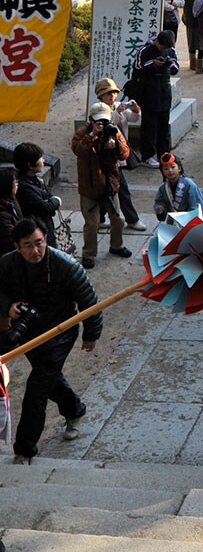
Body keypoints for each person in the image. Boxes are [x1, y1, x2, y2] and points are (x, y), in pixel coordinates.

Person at [0, 218, 102, 460]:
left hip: (60, 332)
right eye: (28, 245)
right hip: (28, 330)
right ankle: (74, 410)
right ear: (16, 246)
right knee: (48, 379)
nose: (35, 251)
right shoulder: (7, 263)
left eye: (40, 243)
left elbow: (89, 302)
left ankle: (24, 450)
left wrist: (91, 334)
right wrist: (9, 306)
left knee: (36, 388)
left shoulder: (66, 266)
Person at [70, 104, 133, 269]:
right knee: (92, 224)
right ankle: (88, 254)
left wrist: (116, 146)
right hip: (89, 186)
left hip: (109, 184)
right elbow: (78, 150)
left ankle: (116, 246)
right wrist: (92, 135)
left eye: (105, 120)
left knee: (118, 219)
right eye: (99, 121)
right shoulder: (82, 134)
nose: (103, 124)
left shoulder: (114, 131)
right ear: (90, 120)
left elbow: (125, 153)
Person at [92, 77, 145, 232]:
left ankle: (102, 218)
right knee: (118, 188)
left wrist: (136, 110)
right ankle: (132, 219)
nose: (112, 96)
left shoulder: (116, 106)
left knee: (109, 188)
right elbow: (107, 125)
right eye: (108, 93)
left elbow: (133, 118)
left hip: (117, 153)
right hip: (105, 156)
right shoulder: (97, 109)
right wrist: (117, 113)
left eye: (114, 93)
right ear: (101, 96)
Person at [133, 31, 180, 167]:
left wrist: (169, 64)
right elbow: (136, 69)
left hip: (164, 92)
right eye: (163, 48)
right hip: (148, 92)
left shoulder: (170, 51)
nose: (165, 50)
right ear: (158, 42)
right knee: (149, 127)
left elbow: (176, 68)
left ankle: (164, 155)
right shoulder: (144, 50)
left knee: (164, 127)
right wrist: (152, 64)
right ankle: (147, 155)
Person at [12, 144, 60, 246]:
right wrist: (57, 201)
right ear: (30, 165)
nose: (43, 161)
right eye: (40, 158)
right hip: (35, 232)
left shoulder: (34, 180)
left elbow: (47, 196)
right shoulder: (24, 187)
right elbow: (46, 207)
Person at [153, 152, 203, 221]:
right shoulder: (163, 188)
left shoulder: (189, 185)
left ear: (179, 168)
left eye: (173, 167)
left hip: (189, 222)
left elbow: (196, 207)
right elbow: (159, 202)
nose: (170, 170)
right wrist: (160, 209)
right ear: (163, 172)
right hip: (173, 222)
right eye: (166, 169)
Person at [178, 0, 201, 70]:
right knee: (192, 38)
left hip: (200, 14)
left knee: (200, 38)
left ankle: (200, 61)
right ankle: (193, 62)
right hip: (190, 15)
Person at [0, 167, 22, 256]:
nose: (17, 184)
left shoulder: (11, 199)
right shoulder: (2, 214)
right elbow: (10, 238)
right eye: (15, 182)